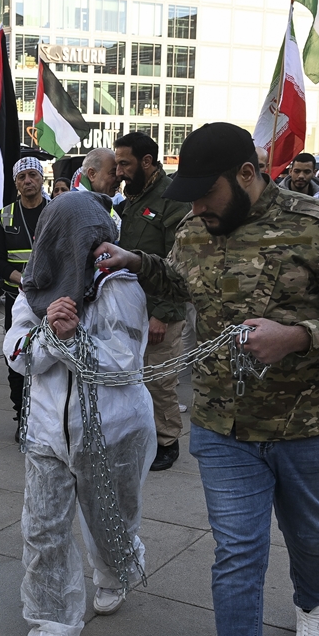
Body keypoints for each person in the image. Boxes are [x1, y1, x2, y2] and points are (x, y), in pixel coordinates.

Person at [93, 122, 319, 636]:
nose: (198, 205)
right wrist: (138, 262)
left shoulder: (317, 224)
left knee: (310, 534)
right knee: (237, 552)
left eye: (208, 192)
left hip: (307, 422)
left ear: (250, 175)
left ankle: (313, 605)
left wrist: (300, 336)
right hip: (223, 425)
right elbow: (181, 279)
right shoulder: (195, 230)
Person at [4, 191, 156, 636]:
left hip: (113, 432)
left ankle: (113, 572)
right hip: (48, 432)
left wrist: (75, 339)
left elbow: (123, 362)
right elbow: (17, 354)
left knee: (112, 515)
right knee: (43, 528)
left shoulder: (120, 286)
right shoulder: (36, 287)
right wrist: (50, 334)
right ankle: (51, 625)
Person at [113, 131, 192, 471]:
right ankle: (140, 435)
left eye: (125, 163)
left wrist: (162, 314)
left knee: (159, 380)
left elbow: (180, 266)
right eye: (117, 164)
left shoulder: (173, 199)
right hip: (131, 307)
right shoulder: (132, 197)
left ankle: (166, 441)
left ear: (147, 162)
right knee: (133, 376)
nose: (119, 171)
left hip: (161, 310)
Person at [0, 156, 49, 439]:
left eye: (32, 176)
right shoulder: (4, 217)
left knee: (54, 357)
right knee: (18, 357)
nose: (28, 181)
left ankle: (48, 416)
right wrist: (21, 280)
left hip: (53, 299)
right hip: (19, 301)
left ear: (41, 179)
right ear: (16, 183)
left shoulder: (56, 211)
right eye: (22, 177)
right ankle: (22, 416)